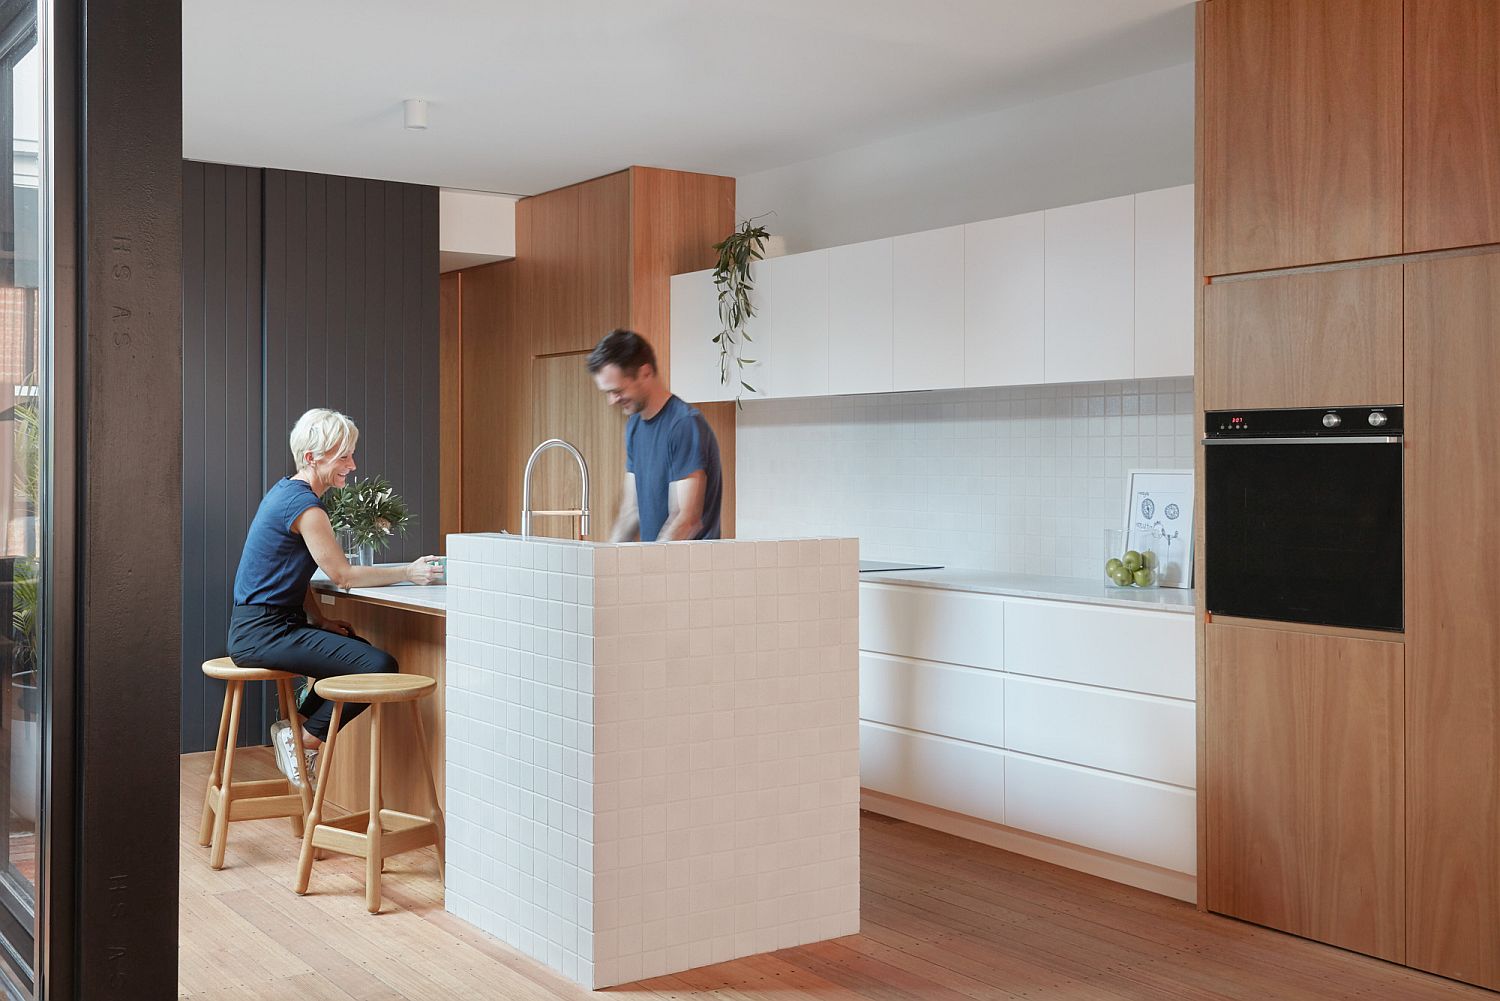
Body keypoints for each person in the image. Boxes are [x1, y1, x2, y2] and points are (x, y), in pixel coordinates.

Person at [226, 408, 443, 786]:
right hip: (264, 632)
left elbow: (296, 574)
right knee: (379, 667)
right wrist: (409, 572)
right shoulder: (306, 507)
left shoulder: (286, 493)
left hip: (265, 626)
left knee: (355, 648)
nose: (353, 465)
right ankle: (304, 739)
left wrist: (321, 621)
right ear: (312, 458)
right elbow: (342, 575)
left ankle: (292, 727)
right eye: (343, 456)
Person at [587, 329, 723, 542]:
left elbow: (686, 519)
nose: (612, 401)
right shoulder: (634, 426)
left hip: (690, 570)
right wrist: (606, 564)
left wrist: (650, 568)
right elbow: (630, 512)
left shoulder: (683, 425)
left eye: (617, 391)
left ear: (646, 373)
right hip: (659, 566)